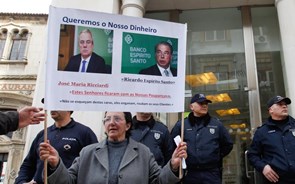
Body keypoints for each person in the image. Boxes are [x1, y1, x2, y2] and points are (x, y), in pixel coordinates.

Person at [39, 111, 187, 184]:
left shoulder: (143, 153)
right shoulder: (87, 153)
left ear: (128, 125)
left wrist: (173, 166)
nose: (111, 123)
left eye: (117, 119)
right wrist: (55, 164)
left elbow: (159, 181)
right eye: (107, 119)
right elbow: (69, 181)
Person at [15, 109, 98, 184]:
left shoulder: (85, 133)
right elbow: (28, 163)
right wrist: (21, 182)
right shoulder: (43, 133)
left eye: (57, 105)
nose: (53, 108)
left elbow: (94, 165)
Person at [169, 93, 233, 184]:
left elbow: (228, 144)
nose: (204, 105)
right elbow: (171, 146)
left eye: (206, 103)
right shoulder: (182, 125)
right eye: (200, 103)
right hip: (189, 173)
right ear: (191, 106)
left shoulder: (216, 124)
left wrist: (216, 155)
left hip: (211, 173)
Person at [247, 95, 295, 184]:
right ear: (271, 110)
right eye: (280, 104)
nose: (284, 106)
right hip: (276, 180)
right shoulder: (262, 132)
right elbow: (252, 155)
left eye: (285, 104)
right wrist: (263, 167)